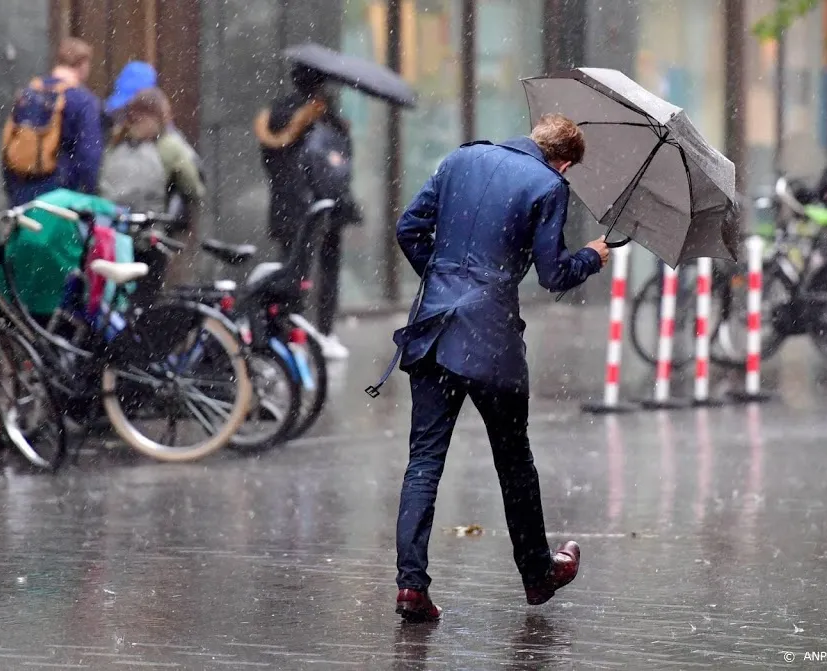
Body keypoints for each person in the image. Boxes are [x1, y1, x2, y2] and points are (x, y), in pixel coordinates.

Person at [384, 114, 611, 622]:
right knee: (513, 462)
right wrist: (593, 256)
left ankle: (411, 588)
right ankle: (537, 575)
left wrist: (446, 281)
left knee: (424, 461)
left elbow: (408, 229)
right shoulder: (549, 185)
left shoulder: (461, 157)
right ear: (566, 161)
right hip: (491, 341)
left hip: (434, 331)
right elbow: (554, 274)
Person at [253, 65, 360, 360]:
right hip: (323, 206)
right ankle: (324, 333)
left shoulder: (274, 116)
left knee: (290, 272)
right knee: (325, 271)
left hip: (288, 206)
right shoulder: (324, 118)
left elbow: (271, 163)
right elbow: (339, 166)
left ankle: (287, 334)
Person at [98, 88, 206, 286]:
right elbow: (194, 188)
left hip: (112, 235)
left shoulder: (116, 140)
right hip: (149, 238)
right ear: (162, 114)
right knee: (148, 300)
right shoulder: (169, 145)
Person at [2, 37, 103, 207]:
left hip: (22, 191)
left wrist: (13, 190)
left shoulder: (28, 94)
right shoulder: (82, 100)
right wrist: (89, 194)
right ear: (83, 64)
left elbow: (9, 143)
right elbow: (89, 155)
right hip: (61, 196)